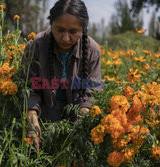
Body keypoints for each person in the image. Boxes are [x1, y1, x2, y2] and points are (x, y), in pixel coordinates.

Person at [20, 0, 101, 151]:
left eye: (73, 32)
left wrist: (82, 122)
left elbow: (90, 93)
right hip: (43, 117)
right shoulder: (36, 46)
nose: (65, 38)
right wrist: (32, 120)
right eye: (60, 30)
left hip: (76, 117)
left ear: (83, 29)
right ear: (51, 25)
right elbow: (29, 89)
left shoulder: (92, 50)